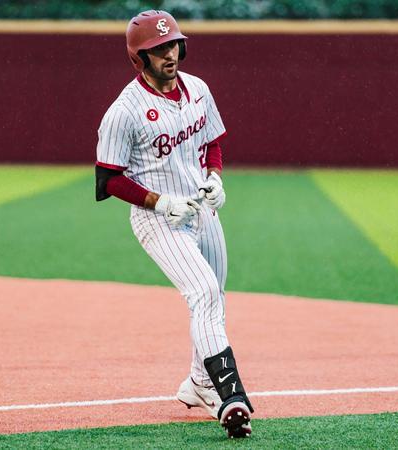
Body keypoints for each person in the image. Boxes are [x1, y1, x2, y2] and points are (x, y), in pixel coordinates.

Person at [95, 10, 254, 438]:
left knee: (214, 298)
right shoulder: (124, 111)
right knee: (201, 291)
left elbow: (212, 142)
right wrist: (159, 201)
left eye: (173, 44)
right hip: (158, 220)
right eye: (157, 49)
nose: (169, 53)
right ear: (138, 59)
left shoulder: (198, 89)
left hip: (202, 211)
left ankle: (199, 383)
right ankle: (231, 394)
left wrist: (215, 178)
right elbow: (107, 178)